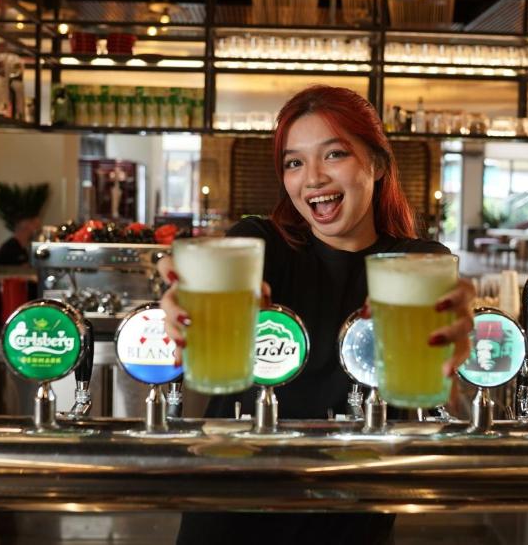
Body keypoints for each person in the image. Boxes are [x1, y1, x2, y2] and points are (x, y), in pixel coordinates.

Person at [160, 85, 475, 545]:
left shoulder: (416, 264)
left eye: (334, 155)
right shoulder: (258, 245)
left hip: (351, 517)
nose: (312, 179)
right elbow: (206, 267)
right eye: (294, 162)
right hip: (232, 510)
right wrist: (178, 285)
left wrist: (462, 324)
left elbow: (444, 367)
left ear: (378, 164)